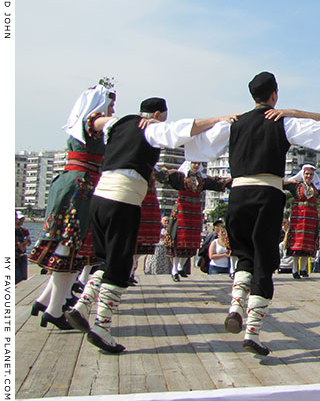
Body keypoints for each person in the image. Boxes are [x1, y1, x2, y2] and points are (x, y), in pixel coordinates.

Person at [182, 71, 320, 356]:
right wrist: (297, 112)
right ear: (274, 95)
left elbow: (197, 144)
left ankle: (235, 306)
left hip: (237, 195)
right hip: (266, 194)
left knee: (244, 256)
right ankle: (252, 331)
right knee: (265, 261)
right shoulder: (282, 121)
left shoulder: (235, 123)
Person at [65, 96, 234, 353]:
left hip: (100, 198)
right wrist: (219, 120)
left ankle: (82, 305)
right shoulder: (152, 128)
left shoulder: (119, 124)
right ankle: (101, 326)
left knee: (105, 259)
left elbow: (93, 121)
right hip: (123, 200)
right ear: (158, 114)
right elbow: (185, 128)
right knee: (120, 266)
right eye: (164, 116)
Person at [28, 81, 118, 329]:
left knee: (69, 249)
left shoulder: (82, 126)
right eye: (111, 104)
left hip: (74, 184)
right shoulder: (93, 121)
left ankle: (46, 302)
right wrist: (134, 123)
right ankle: (54, 310)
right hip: (80, 187)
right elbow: (109, 123)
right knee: (69, 248)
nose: (111, 110)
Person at [163, 161, 230, 281]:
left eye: (198, 163)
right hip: (182, 211)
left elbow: (216, 182)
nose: (196, 165)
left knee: (190, 240)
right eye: (194, 163)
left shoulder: (201, 179)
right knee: (178, 239)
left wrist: (230, 181)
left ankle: (180, 267)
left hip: (193, 212)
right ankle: (174, 269)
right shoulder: (180, 176)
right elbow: (166, 176)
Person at [283, 164, 320, 279]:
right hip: (298, 216)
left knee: (308, 243)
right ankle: (294, 270)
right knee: (296, 244)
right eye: (307, 174)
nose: (309, 176)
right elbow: (281, 183)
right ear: (303, 174)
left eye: (311, 174)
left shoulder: (317, 187)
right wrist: (289, 181)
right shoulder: (296, 185)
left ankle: (303, 269)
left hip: (311, 216)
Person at [130, 167, 163, 285]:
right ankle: (129, 272)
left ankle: (131, 271)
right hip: (136, 199)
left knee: (139, 249)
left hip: (148, 203)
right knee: (131, 245)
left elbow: (163, 177)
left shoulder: (154, 169)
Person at [15, 211, 31, 284]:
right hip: (16, 256)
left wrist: (24, 242)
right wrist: (24, 242)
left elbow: (28, 243)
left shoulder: (24, 230)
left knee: (23, 278)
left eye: (22, 219)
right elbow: (20, 245)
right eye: (19, 219)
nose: (21, 221)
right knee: (17, 277)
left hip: (22, 255)